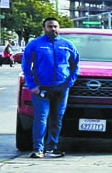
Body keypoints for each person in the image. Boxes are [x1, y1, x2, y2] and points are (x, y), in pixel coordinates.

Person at [20, 18, 78, 158]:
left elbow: (75, 65)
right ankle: (38, 149)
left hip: (61, 88)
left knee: (57, 118)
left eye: (55, 26)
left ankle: (52, 148)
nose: (53, 29)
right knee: (41, 117)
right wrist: (33, 85)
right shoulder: (35, 44)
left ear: (59, 28)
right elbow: (26, 67)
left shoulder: (67, 45)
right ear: (44, 28)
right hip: (41, 88)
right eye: (50, 26)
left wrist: (69, 82)